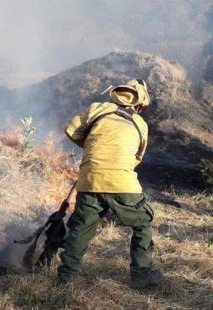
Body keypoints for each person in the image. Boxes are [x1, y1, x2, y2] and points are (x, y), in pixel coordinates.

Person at [57, 79, 163, 289]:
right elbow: (137, 157)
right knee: (144, 222)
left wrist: (91, 145)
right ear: (139, 104)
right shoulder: (140, 123)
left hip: (90, 180)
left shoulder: (97, 109)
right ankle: (141, 275)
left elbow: (71, 131)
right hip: (122, 182)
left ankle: (65, 279)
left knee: (81, 229)